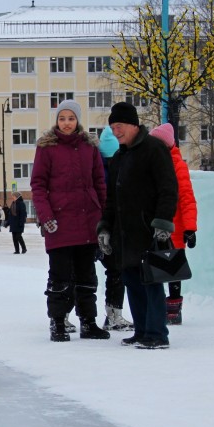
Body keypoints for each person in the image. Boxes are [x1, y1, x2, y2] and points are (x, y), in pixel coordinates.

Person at [97, 102, 178, 349]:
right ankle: (142, 330)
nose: (116, 132)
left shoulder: (154, 149)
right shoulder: (120, 157)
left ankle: (157, 333)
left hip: (148, 230)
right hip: (125, 233)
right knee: (132, 281)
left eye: (119, 126)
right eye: (112, 128)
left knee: (151, 282)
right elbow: (112, 199)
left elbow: (168, 188)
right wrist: (105, 228)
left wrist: (163, 223)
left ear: (133, 124)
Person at [31, 99, 109, 342]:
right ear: (57, 120)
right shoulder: (47, 147)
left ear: (78, 120)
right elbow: (38, 185)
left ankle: (88, 322)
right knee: (60, 277)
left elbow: (99, 183)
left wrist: (105, 217)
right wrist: (46, 217)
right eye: (62, 118)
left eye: (71, 118)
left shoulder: (89, 147)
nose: (67, 123)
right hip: (60, 224)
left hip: (88, 221)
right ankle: (58, 323)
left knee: (87, 277)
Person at [149, 123, 198, 325]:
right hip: (154, 224)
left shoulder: (177, 165)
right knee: (155, 267)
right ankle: (159, 306)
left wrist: (190, 228)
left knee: (173, 269)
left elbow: (186, 197)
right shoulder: (151, 163)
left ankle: (173, 307)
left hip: (175, 226)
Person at [96, 126, 134, 332]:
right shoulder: (118, 165)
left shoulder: (97, 165)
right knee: (116, 271)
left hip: (100, 224)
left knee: (110, 272)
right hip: (112, 225)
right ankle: (113, 314)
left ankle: (110, 314)